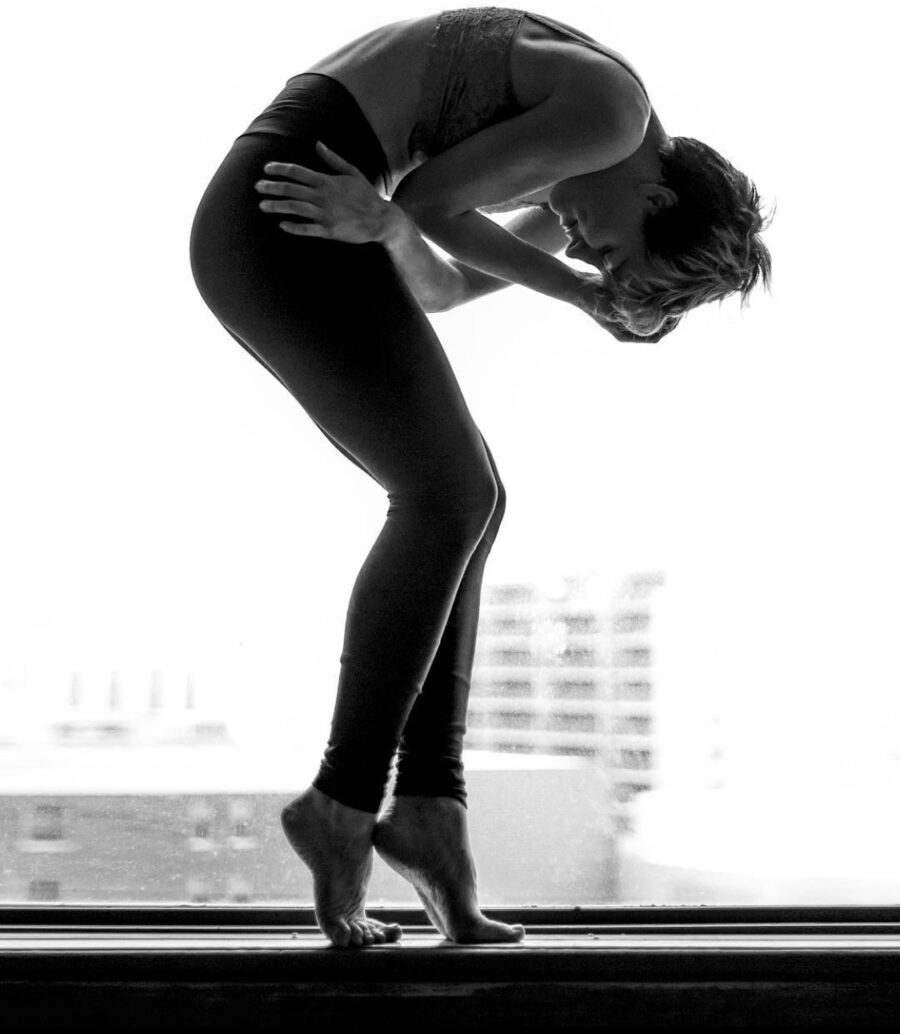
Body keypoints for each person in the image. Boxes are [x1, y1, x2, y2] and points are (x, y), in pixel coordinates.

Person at [188, 7, 772, 949]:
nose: (581, 248)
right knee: (448, 494)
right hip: (288, 199)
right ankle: (343, 802)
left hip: (311, 207)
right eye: (610, 249)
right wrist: (586, 296)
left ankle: (428, 810)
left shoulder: (579, 160)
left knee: (473, 501)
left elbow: (443, 278)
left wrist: (390, 223)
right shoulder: (612, 115)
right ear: (660, 197)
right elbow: (423, 207)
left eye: (596, 257)